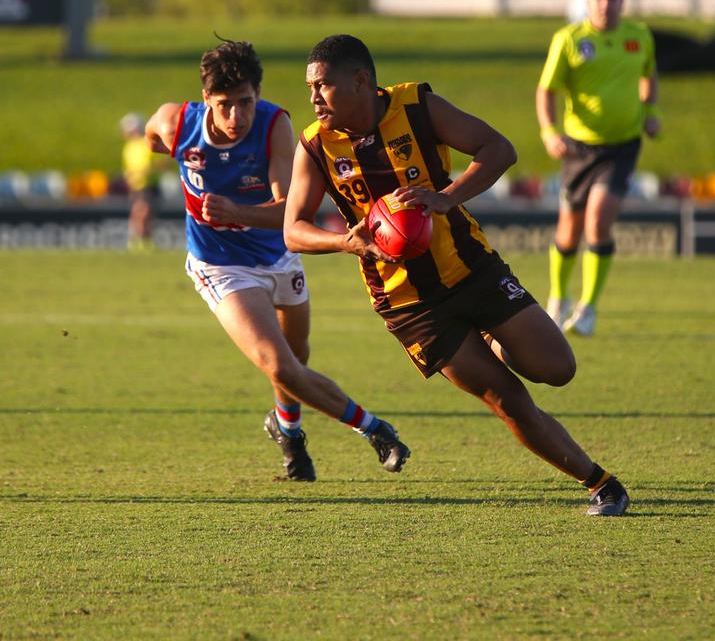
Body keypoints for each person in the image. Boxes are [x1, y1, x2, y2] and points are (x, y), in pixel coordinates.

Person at [284, 33, 629, 516]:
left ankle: (491, 337)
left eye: (322, 85)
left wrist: (447, 197)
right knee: (506, 399)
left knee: (557, 368)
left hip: (471, 270)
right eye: (309, 88)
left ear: (361, 81)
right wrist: (349, 240)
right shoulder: (316, 146)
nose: (313, 97)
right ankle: (601, 484)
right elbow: (293, 230)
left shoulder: (417, 106)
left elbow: (498, 149)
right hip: (410, 305)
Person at [144, 39, 410, 482]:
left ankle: (287, 432)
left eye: (246, 102)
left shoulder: (275, 126)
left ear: (259, 95)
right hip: (221, 265)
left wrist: (236, 213)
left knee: (296, 362)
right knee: (279, 364)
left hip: (279, 256)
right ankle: (374, 429)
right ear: (206, 99)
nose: (236, 117)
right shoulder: (176, 123)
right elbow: (152, 139)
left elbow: (288, 213)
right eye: (225, 105)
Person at [537, 0, 661, 337]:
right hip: (578, 148)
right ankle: (558, 298)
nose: (606, 4)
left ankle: (588, 308)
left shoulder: (638, 38)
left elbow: (649, 76)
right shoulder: (569, 40)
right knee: (569, 231)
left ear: (623, 2)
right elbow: (546, 90)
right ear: (588, 4)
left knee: (598, 221)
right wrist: (549, 131)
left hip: (622, 146)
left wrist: (651, 112)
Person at [121, 112, 160, 251]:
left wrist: (147, 171)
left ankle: (143, 241)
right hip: (136, 185)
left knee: (144, 213)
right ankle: (137, 241)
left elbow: (161, 163)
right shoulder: (129, 147)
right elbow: (129, 167)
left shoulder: (146, 143)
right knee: (139, 213)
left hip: (147, 185)